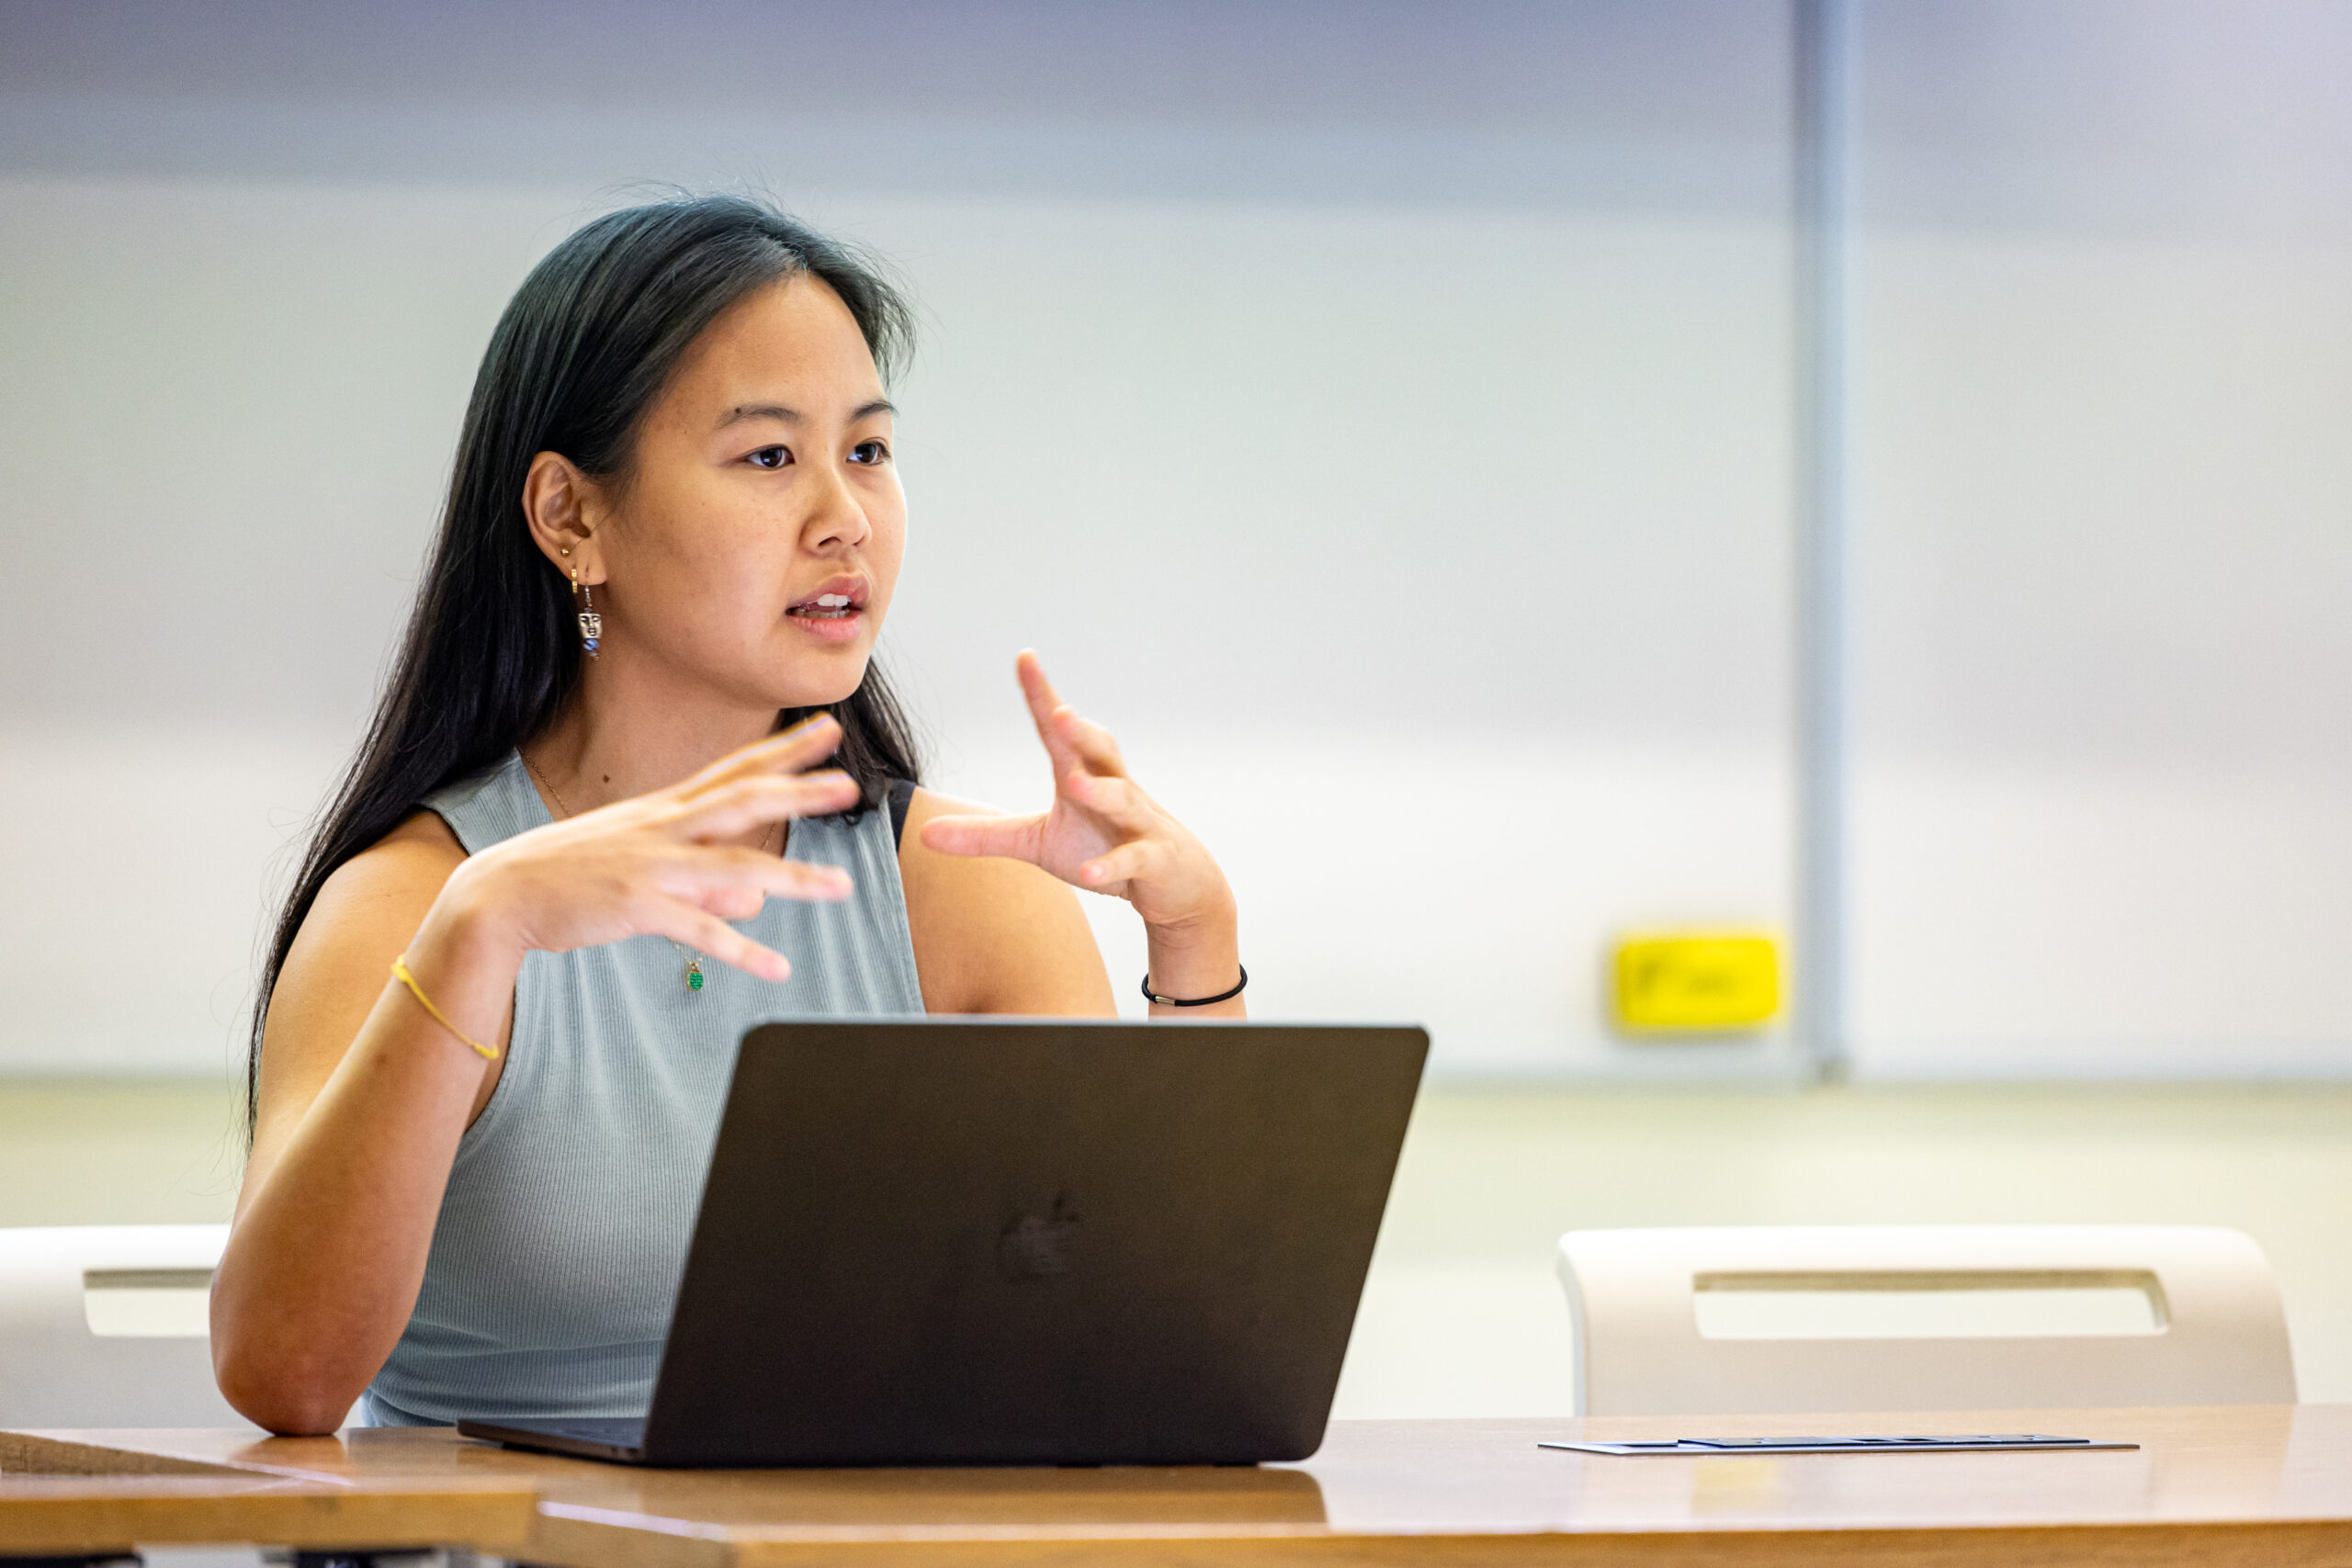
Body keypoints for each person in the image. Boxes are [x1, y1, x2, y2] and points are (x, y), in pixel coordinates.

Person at [209, 195, 1244, 1436]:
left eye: (869, 452)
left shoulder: (966, 894)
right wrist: (482, 929)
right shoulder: (415, 901)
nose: (844, 517)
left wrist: (1195, 948)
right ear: (570, 517)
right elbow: (283, 1379)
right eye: (768, 458)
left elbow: (1160, 1368)